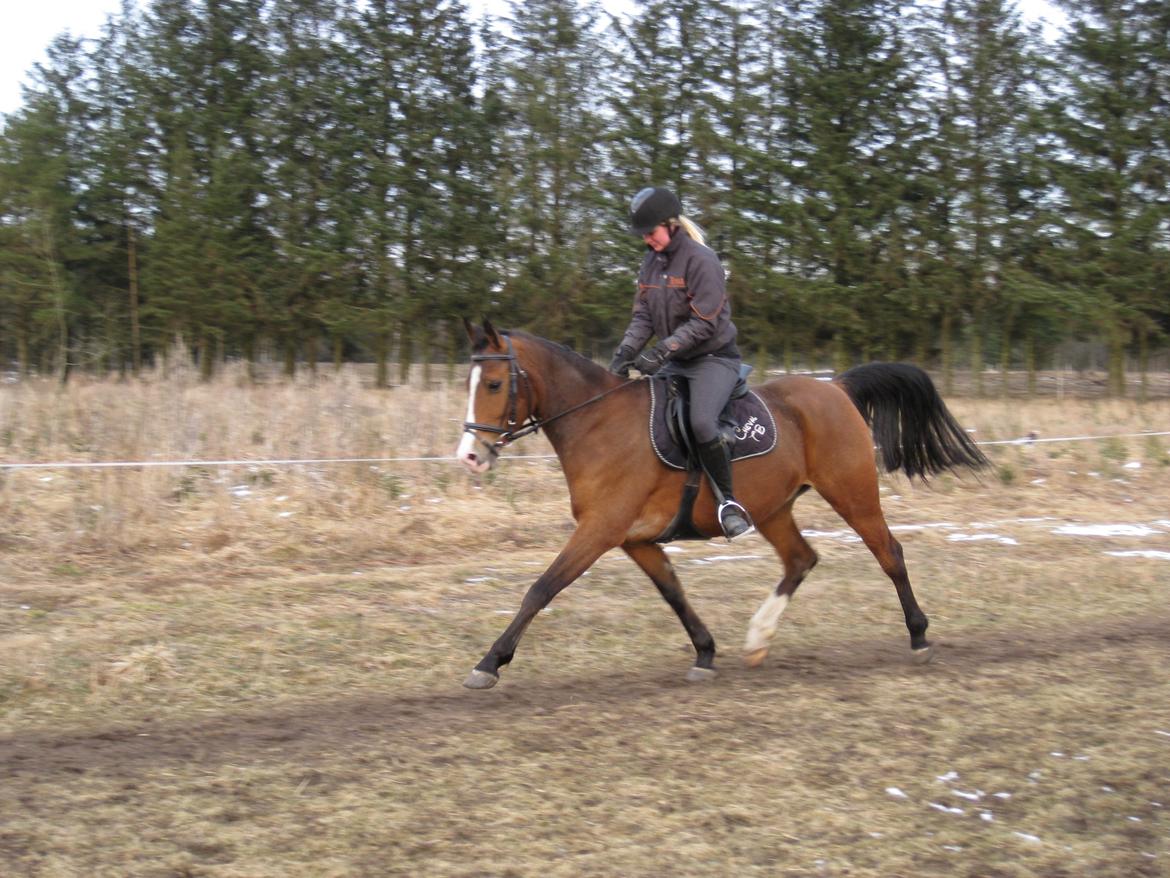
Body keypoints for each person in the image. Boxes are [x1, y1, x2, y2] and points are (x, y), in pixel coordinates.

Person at [608, 186, 755, 540]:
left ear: (671, 224)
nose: (647, 240)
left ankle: (728, 503)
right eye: (642, 234)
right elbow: (643, 315)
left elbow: (704, 322)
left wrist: (661, 351)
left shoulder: (701, 260)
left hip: (712, 358)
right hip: (676, 359)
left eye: (651, 232)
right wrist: (624, 353)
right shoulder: (650, 262)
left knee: (702, 422)